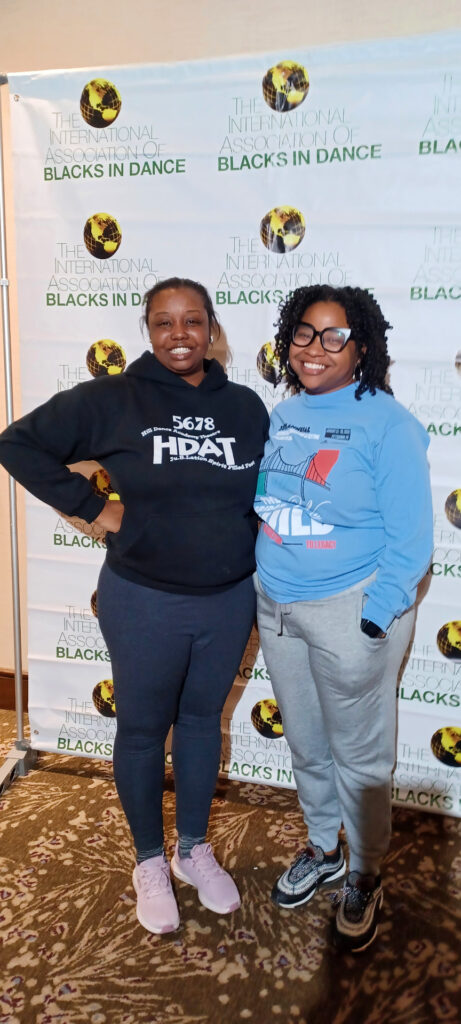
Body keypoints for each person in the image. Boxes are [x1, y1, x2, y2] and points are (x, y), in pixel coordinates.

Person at [0, 277, 269, 935]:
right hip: (144, 599)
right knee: (144, 728)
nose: (179, 334)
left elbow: (260, 495)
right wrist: (95, 509)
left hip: (228, 599)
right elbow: (17, 444)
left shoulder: (245, 407)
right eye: (163, 322)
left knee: (203, 722)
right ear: (147, 331)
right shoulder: (114, 399)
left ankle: (192, 849)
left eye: (192, 321)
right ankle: (148, 858)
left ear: (211, 328)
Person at [253, 284, 432, 953]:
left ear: (360, 348)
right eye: (303, 332)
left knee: (358, 758)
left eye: (333, 335)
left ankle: (364, 871)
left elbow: (411, 540)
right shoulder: (281, 413)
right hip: (275, 605)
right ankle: (323, 847)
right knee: (305, 743)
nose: (314, 348)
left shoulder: (387, 423)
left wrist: (373, 618)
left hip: (348, 610)